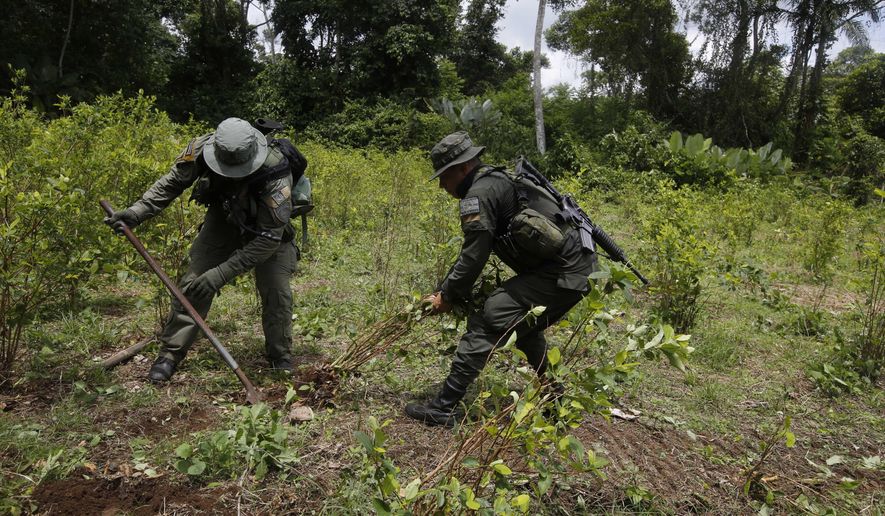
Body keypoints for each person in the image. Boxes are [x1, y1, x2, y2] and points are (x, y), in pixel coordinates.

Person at [405, 131, 598, 427]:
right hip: (574, 266)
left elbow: (473, 256)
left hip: (564, 272)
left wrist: (447, 295)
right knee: (526, 328)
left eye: (445, 176)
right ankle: (556, 400)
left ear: (463, 168)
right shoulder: (496, 179)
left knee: (490, 316)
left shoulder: (478, 195)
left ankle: (444, 406)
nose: (442, 185)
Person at [105, 117, 300, 382]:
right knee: (194, 282)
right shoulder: (200, 149)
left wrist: (220, 274)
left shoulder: (276, 172)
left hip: (268, 231)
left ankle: (280, 356)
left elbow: (268, 238)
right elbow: (172, 182)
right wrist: (136, 212)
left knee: (276, 289)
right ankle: (170, 354)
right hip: (225, 217)